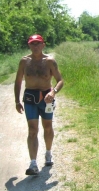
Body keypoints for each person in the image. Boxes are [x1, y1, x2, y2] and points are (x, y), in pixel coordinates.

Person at [14, 34, 64, 175]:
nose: (35, 46)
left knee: (47, 127)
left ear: (43, 45)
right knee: (32, 130)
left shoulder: (49, 61)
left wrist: (53, 92)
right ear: (29, 45)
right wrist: (17, 101)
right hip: (30, 98)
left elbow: (60, 80)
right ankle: (33, 163)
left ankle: (48, 153)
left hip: (46, 99)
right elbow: (18, 81)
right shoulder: (24, 61)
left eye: (38, 43)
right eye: (32, 44)